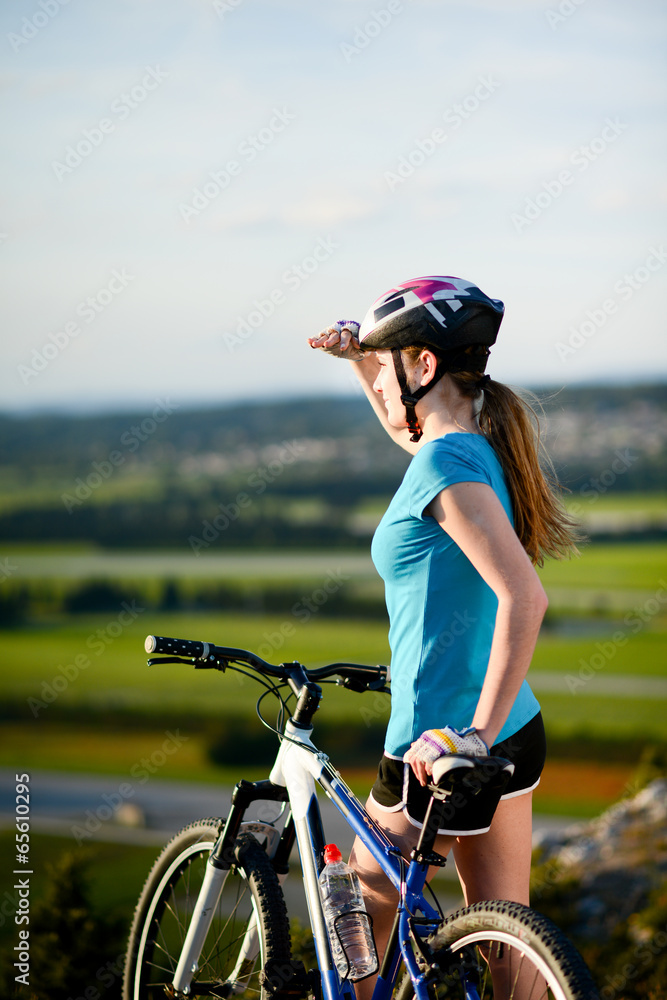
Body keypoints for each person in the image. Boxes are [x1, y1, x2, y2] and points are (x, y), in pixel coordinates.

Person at [307, 275, 579, 995]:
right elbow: (409, 427)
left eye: (395, 360)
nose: (385, 382)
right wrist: (367, 363)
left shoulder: (442, 464)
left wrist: (471, 738)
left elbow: (525, 597)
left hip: (440, 741)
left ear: (423, 366)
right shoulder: (473, 449)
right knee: (507, 943)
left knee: (357, 915)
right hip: (512, 722)